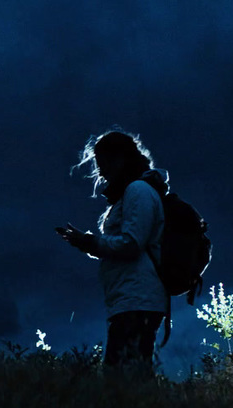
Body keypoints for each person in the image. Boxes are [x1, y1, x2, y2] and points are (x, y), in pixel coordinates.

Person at [57, 129, 169, 377]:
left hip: (137, 300)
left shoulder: (138, 191)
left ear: (119, 159)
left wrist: (91, 243)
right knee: (131, 376)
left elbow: (132, 244)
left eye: (103, 162)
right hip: (131, 300)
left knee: (122, 379)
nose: (101, 171)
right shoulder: (133, 191)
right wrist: (87, 243)